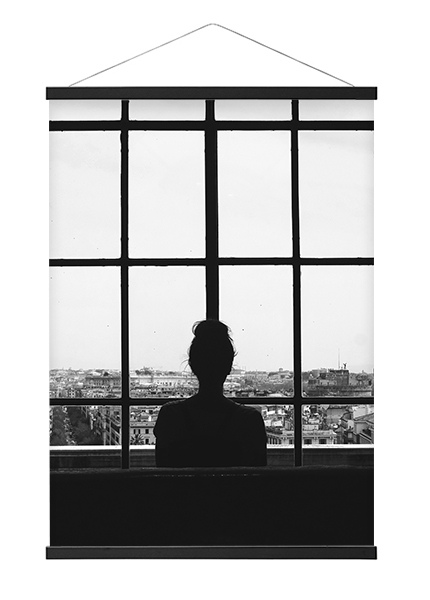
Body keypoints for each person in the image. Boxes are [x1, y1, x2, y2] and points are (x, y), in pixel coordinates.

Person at [154, 319, 267, 467]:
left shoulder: (170, 415)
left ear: (192, 366)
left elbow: (163, 470)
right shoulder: (249, 420)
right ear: (229, 367)